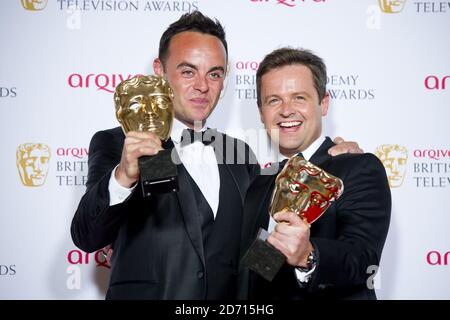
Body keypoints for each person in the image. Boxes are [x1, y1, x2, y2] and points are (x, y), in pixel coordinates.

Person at [71, 11, 362, 300]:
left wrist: (329, 160)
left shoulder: (240, 154)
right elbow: (87, 236)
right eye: (188, 71)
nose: (202, 86)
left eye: (215, 74)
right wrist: (123, 177)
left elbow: (260, 253)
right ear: (159, 71)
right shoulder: (117, 142)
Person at [238, 47, 391, 300]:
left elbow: (363, 258)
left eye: (299, 97)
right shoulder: (260, 183)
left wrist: (309, 256)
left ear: (324, 103)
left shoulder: (358, 167)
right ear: (261, 112)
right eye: (273, 100)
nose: (286, 110)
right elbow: (260, 272)